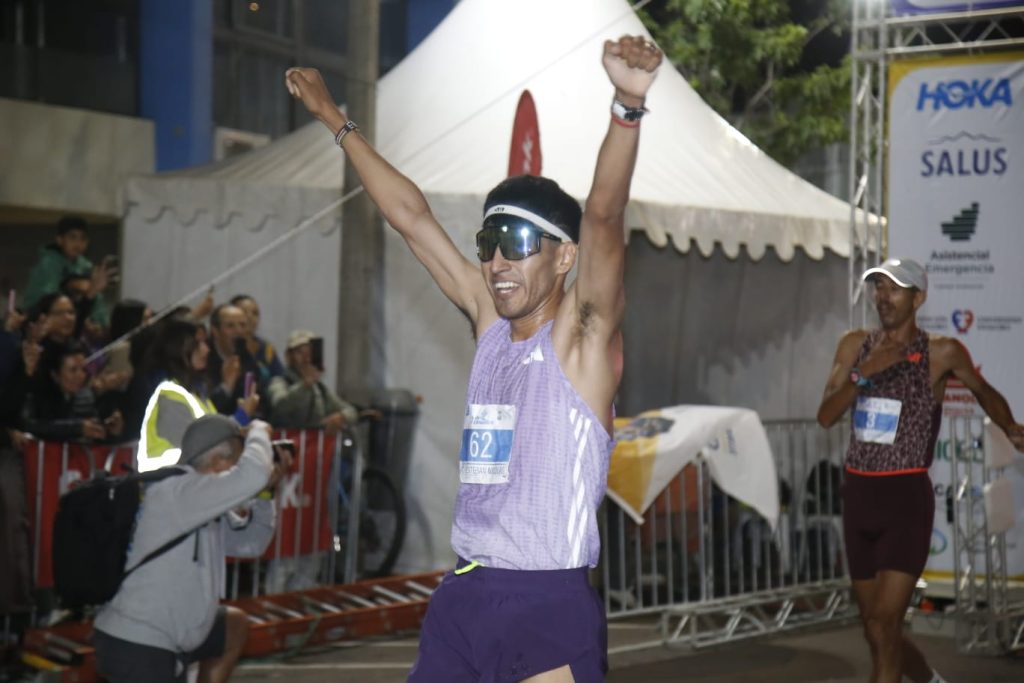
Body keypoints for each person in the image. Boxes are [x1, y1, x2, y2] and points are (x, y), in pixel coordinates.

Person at [288, 34, 662, 682]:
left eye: (516, 241)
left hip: (546, 602)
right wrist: (333, 119)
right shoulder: (490, 321)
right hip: (465, 594)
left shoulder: (581, 338)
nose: (496, 262)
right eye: (489, 241)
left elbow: (604, 216)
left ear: (564, 256)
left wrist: (626, 106)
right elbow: (412, 218)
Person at [817, 257, 1024, 683]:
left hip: (904, 501)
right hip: (858, 498)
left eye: (894, 289)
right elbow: (825, 415)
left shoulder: (941, 352)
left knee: (884, 624)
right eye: (878, 287)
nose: (883, 297)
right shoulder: (854, 345)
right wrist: (862, 375)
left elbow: (983, 391)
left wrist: (1010, 426)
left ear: (918, 298)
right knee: (875, 630)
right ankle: (929, 680)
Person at [93, 414, 291, 683]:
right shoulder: (178, 491)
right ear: (218, 460)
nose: (237, 472)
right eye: (238, 461)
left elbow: (251, 542)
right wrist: (259, 430)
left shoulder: (199, 499)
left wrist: (265, 495)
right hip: (139, 642)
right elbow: (253, 474)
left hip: (167, 638)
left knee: (232, 625)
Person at [136, 317, 258, 472]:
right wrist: (242, 416)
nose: (206, 349)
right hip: (167, 480)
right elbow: (202, 448)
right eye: (198, 344)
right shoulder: (169, 396)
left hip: (187, 479)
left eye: (205, 343)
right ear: (179, 348)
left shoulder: (195, 394)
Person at [19, 342, 124, 444]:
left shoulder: (86, 396)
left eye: (83, 369)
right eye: (73, 370)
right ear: (55, 375)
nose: (81, 375)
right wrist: (77, 428)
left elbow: (93, 437)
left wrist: (110, 432)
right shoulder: (38, 396)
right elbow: (31, 426)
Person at [21, 216, 115, 327]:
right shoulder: (48, 263)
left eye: (83, 239)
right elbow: (48, 302)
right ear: (60, 240)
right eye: (72, 237)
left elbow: (97, 302)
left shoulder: (86, 267)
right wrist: (71, 286)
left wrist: (99, 324)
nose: (78, 243)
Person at [269, 329, 358, 431]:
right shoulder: (279, 382)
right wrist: (304, 385)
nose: (306, 358)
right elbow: (280, 405)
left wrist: (341, 417)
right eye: (300, 352)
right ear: (290, 356)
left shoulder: (319, 389)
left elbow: (351, 411)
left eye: (310, 352)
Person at [206, 303, 265, 420]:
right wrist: (226, 387)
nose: (239, 331)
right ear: (215, 331)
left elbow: (261, 404)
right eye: (230, 326)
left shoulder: (248, 360)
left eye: (243, 325)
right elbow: (206, 409)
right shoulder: (204, 359)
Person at [230, 294, 285, 385]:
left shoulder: (267, 349)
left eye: (255, 313)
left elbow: (279, 378)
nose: (250, 317)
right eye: (244, 312)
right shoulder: (227, 346)